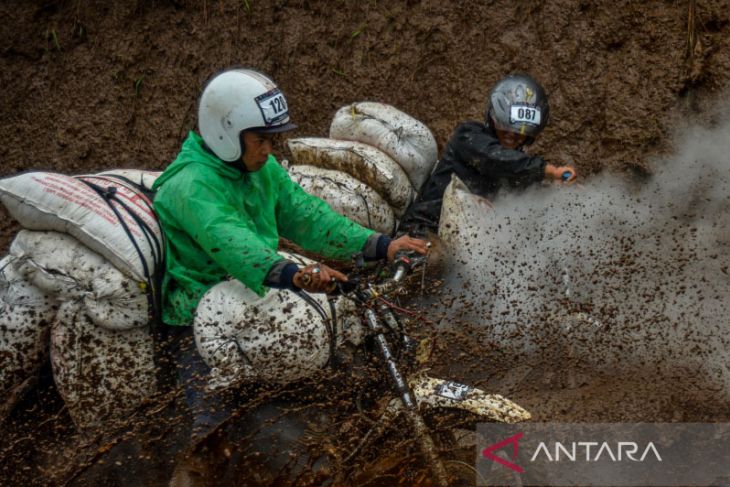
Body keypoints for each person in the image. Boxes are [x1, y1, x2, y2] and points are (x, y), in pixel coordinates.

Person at [151, 68, 428, 470]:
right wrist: (293, 273)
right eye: (260, 139)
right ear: (226, 133)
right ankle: (202, 461)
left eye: (272, 139)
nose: (268, 149)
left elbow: (307, 215)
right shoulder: (191, 185)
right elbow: (231, 243)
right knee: (213, 418)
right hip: (200, 314)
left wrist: (380, 245)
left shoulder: (261, 171)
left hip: (259, 292)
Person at [398, 73, 577, 237]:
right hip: (422, 232)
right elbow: (497, 159)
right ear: (492, 118)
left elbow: (529, 198)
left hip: (469, 247)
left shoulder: (520, 170)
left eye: (520, 133)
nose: (513, 136)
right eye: (506, 129)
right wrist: (551, 171)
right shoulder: (469, 136)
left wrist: (565, 192)